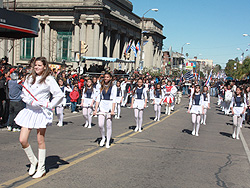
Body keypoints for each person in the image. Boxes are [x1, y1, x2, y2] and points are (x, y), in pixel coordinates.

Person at [15, 57, 64, 178]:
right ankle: (33, 161)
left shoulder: (49, 79)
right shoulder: (29, 78)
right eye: (35, 65)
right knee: (22, 139)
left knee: (40, 139)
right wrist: (31, 102)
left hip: (41, 112)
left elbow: (59, 95)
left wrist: (50, 104)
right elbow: (24, 94)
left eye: (39, 65)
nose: (37, 67)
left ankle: (41, 168)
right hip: (30, 110)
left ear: (44, 66)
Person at [93, 73, 116, 149]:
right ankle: (103, 137)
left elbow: (114, 100)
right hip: (102, 106)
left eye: (107, 77)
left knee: (108, 125)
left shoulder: (113, 87)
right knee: (100, 124)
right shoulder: (100, 86)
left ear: (110, 78)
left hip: (109, 106)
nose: (105, 78)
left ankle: (108, 141)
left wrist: (112, 110)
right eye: (105, 77)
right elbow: (98, 99)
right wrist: (95, 109)